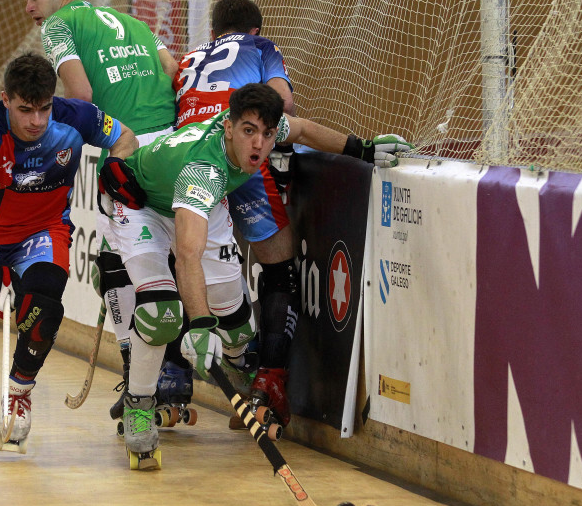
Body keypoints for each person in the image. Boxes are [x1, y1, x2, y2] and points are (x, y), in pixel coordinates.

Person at [99, 83, 411, 467]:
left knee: (239, 332)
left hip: (198, 208)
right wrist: (197, 324)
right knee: (160, 312)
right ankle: (140, 403)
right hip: (141, 206)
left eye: (265, 134)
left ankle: (234, 361)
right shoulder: (204, 170)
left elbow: (303, 129)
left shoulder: (265, 132)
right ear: (228, 128)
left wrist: (361, 148)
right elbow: (186, 255)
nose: (259, 145)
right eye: (249, 131)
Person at [172, 0, 405, 428]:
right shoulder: (260, 49)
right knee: (279, 267)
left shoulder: (189, 58)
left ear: (214, 31)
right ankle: (269, 382)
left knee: (183, 257)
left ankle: (171, 376)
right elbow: (287, 110)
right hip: (236, 158)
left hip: (188, 160)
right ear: (255, 30)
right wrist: (363, 149)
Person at [0, 54, 138, 448]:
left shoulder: (76, 116)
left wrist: (115, 167)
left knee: (44, 308)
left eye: (44, 108)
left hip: (44, 231)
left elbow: (126, 138)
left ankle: (18, 392)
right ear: (5, 100)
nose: (36, 120)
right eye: (25, 110)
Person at [16, 0, 178, 420]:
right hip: (174, 143)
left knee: (135, 270)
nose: (30, 8)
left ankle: (145, 383)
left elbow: (81, 95)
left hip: (130, 151)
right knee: (133, 260)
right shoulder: (136, 22)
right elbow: (173, 71)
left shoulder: (58, 27)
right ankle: (160, 377)